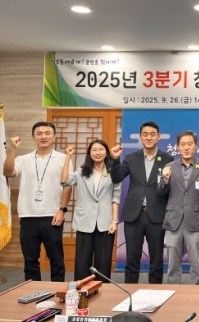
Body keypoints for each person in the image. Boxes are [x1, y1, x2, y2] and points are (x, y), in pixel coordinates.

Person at [2, 121, 72, 282]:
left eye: (47, 133)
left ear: (54, 137)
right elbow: (7, 172)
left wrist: (62, 209)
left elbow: (67, 186)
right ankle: (33, 292)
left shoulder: (64, 158)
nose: (43, 136)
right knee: (30, 260)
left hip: (52, 216)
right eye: (39, 133)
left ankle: (58, 291)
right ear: (33, 137)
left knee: (56, 260)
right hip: (28, 215)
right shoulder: (23, 159)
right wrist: (12, 149)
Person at [110, 121, 174, 284]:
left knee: (157, 259)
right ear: (140, 137)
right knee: (132, 258)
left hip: (156, 215)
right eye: (145, 134)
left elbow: (169, 188)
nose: (149, 137)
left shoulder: (168, 159)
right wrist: (115, 159)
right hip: (134, 215)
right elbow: (116, 178)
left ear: (158, 137)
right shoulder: (131, 157)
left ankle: (156, 292)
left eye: (152, 134)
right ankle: (131, 292)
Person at [158, 131, 199, 285]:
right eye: (183, 144)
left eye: (190, 144)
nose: (186, 147)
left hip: (195, 220)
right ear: (178, 147)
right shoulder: (169, 167)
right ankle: (173, 290)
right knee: (173, 263)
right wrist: (165, 179)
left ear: (196, 146)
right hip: (173, 220)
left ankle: (198, 291)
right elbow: (161, 192)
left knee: (196, 262)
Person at [61, 140, 121, 281]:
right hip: (84, 221)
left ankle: (103, 290)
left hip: (105, 222)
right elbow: (64, 181)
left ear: (106, 152)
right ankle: (82, 290)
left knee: (104, 261)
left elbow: (116, 197)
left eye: (101, 149)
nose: (97, 152)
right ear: (89, 153)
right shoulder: (81, 171)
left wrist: (114, 221)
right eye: (94, 150)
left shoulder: (113, 172)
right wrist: (68, 157)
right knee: (82, 261)